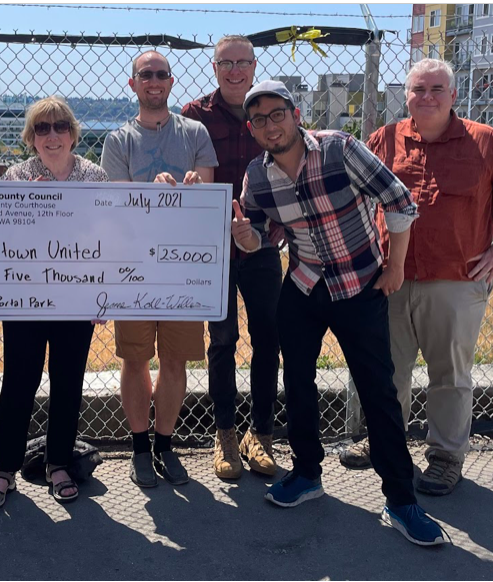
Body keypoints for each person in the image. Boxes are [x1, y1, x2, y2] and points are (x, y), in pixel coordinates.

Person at [232, 80, 447, 546]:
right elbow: (258, 234)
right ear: (253, 129)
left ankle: (401, 500)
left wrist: (395, 265)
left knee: (378, 391)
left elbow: (399, 201)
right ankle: (308, 474)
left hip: (361, 284)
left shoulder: (340, 149)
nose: (270, 125)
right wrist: (247, 239)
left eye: (277, 113)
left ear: (295, 113)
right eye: (260, 120)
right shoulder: (258, 176)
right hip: (305, 286)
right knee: (299, 385)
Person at [339, 59, 493, 496]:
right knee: (387, 370)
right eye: (418, 89)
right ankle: (384, 443)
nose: (426, 97)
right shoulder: (385, 139)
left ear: (453, 95)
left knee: (450, 374)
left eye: (436, 89)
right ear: (407, 95)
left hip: (456, 280)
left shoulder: (486, 142)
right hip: (390, 278)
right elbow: (354, 195)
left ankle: (446, 458)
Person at [0, 96, 109, 510]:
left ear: (73, 133)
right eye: (41, 128)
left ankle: (57, 464)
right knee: (19, 382)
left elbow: (106, 240)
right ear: (31, 137)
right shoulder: (15, 178)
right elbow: (0, 241)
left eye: (59, 126)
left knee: (68, 382)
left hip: (75, 295)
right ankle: (5, 470)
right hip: (27, 296)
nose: (51, 135)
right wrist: (23, 210)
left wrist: (101, 294)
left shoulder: (95, 177)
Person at [101, 50, 218, 488]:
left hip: (183, 267)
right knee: (135, 359)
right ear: (133, 84)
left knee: (174, 360)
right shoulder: (118, 140)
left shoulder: (195, 133)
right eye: (145, 75)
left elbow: (206, 200)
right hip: (133, 266)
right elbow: (119, 204)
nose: (154, 81)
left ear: (171, 83)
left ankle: (165, 444)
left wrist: (193, 186)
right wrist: (148, 192)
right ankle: (138, 447)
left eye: (161, 74)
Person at [181, 35, 282, 479]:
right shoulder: (194, 116)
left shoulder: (271, 111)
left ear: (255, 66)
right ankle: (224, 434)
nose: (235, 71)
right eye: (227, 63)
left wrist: (268, 234)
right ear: (215, 67)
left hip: (261, 246)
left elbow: (292, 173)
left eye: (243, 63)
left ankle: (259, 433)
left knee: (268, 340)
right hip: (213, 249)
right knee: (222, 342)